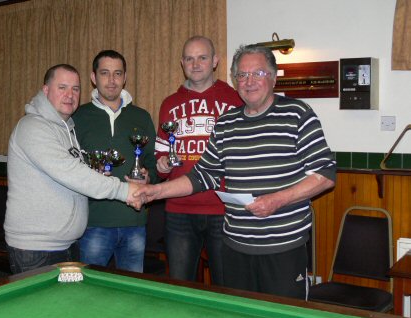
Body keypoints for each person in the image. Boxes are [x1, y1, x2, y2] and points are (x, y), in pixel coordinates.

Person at [136, 44, 336, 299]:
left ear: (273, 77)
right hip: (235, 248)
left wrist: (277, 200)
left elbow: (325, 174)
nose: (249, 82)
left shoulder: (298, 114)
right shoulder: (226, 123)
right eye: (242, 75)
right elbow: (202, 175)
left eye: (258, 74)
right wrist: (155, 190)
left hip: (283, 248)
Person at [5, 64, 143, 274]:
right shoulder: (32, 127)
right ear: (45, 90)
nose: (70, 95)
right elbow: (70, 172)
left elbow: (70, 173)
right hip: (35, 249)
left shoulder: (67, 129)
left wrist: (95, 173)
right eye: (62, 87)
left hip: (65, 245)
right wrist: (125, 191)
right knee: (44, 308)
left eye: (76, 89)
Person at [155, 36, 243, 285]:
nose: (196, 64)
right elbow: (161, 156)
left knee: (227, 287)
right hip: (179, 210)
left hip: (223, 209)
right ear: (182, 63)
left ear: (215, 61)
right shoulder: (169, 104)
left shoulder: (235, 100)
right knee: (180, 286)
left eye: (202, 57)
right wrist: (162, 166)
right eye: (190, 59)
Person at [73, 50, 158, 273]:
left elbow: (153, 162)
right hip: (93, 223)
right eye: (105, 73)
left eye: (117, 73)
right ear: (93, 77)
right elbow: (69, 167)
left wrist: (149, 176)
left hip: (134, 222)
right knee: (90, 291)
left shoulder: (141, 116)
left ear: (125, 77)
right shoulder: (77, 117)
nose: (112, 80)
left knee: (131, 292)